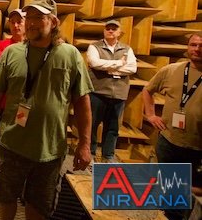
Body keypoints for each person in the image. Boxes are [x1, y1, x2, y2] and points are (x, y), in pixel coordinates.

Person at [0, 0, 93, 220]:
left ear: (54, 21)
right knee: (5, 198)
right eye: (28, 16)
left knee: (39, 206)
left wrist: (85, 143)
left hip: (49, 151)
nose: (31, 22)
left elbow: (82, 102)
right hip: (11, 144)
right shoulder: (11, 53)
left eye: (38, 17)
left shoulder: (71, 56)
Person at [142, 32, 202, 220]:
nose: (197, 49)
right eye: (193, 45)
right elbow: (147, 90)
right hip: (169, 140)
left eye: (201, 46)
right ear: (187, 47)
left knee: (188, 191)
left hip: (197, 146)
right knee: (172, 188)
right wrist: (150, 115)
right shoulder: (171, 70)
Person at [86, 19, 137, 162]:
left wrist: (108, 68)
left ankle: (108, 155)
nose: (110, 31)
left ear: (120, 32)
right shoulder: (94, 47)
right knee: (92, 125)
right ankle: (90, 153)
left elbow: (132, 68)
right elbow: (95, 63)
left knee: (113, 127)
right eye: (108, 28)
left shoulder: (127, 49)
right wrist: (120, 64)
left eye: (114, 29)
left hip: (119, 94)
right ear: (104, 30)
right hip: (98, 92)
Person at [0, 9, 26, 143]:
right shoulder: (1, 46)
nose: (16, 26)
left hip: (23, 107)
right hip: (4, 107)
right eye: (12, 22)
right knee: (3, 140)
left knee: (20, 140)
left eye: (19, 22)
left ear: (27, 23)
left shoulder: (35, 47)